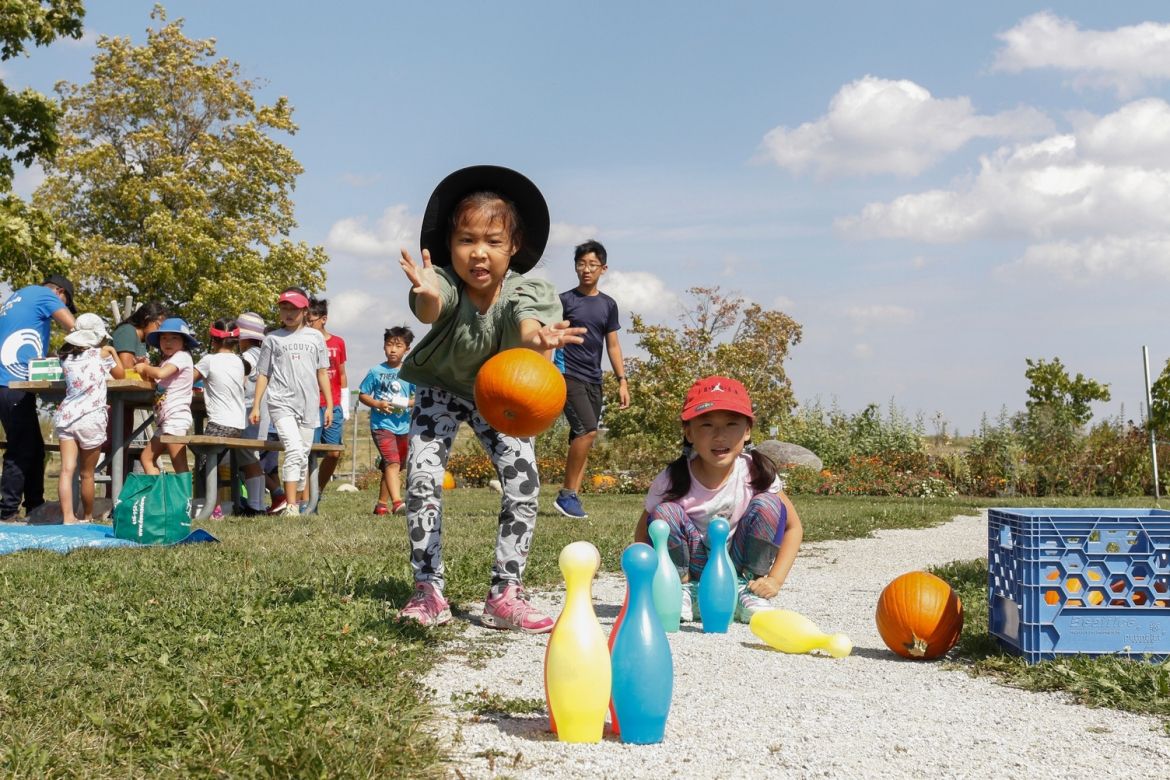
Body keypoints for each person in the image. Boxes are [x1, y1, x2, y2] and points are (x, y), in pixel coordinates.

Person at [396, 164, 585, 631]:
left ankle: (505, 592)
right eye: (466, 240)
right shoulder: (441, 279)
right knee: (421, 479)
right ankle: (428, 590)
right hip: (439, 390)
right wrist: (422, 292)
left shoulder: (528, 289)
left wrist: (539, 340)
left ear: (513, 247)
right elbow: (430, 307)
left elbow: (527, 326)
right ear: (451, 246)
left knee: (524, 483)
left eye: (493, 241)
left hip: (500, 392)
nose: (478, 254)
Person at [634, 375, 803, 624]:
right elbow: (644, 534)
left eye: (731, 424)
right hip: (694, 568)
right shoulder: (672, 479)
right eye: (707, 425)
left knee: (769, 504)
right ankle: (684, 592)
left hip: (736, 563)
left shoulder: (756, 473)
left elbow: (793, 527)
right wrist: (655, 582)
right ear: (688, 432)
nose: (720, 436)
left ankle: (747, 591)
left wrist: (774, 580)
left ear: (747, 431)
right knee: (665, 513)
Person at [553, 239, 631, 519]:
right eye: (581, 264)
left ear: (603, 268)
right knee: (587, 431)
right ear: (576, 267)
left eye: (592, 265)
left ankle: (572, 498)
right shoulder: (564, 301)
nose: (586, 269)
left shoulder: (608, 305)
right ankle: (566, 495)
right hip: (567, 374)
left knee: (580, 436)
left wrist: (622, 380)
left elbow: (612, 345)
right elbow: (549, 335)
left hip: (594, 379)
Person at [0, 274, 78, 521]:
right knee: (20, 448)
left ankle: (35, 506)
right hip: (13, 381)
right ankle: (7, 511)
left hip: (7, 383)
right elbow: (76, 330)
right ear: (60, 293)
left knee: (34, 447)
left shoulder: (18, 296)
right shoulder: (45, 294)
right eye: (64, 304)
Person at [249, 287, 331, 517]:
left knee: (302, 453)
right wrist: (256, 405)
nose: (288, 313)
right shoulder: (272, 338)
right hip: (280, 402)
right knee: (294, 449)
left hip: (309, 405)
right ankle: (292, 506)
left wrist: (330, 406)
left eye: (293, 308)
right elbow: (263, 373)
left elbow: (322, 372)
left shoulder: (315, 337)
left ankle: (301, 503)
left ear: (305, 311)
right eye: (284, 308)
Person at [53, 313, 125, 524]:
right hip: (91, 418)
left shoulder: (64, 356)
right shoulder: (102, 354)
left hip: (67, 416)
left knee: (66, 470)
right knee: (87, 474)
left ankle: (68, 517)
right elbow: (121, 375)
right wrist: (112, 351)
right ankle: (86, 516)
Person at [358, 326, 414, 516]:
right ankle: (398, 503)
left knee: (394, 466)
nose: (393, 349)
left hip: (404, 426)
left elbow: (418, 398)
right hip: (382, 426)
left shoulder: (411, 372)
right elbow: (363, 394)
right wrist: (377, 403)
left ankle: (381, 505)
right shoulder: (375, 371)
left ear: (407, 349)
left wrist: (406, 403)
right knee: (392, 463)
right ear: (383, 347)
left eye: (398, 346)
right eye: (389, 345)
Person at [135, 318, 197, 474]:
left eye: (174, 338)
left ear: (184, 342)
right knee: (146, 458)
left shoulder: (182, 356)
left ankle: (184, 498)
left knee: (179, 464)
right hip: (165, 421)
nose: (168, 342)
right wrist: (145, 368)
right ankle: (159, 495)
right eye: (164, 338)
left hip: (175, 418)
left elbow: (161, 373)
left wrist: (145, 367)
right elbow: (157, 379)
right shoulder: (167, 361)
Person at [307, 297, 347, 498]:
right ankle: (307, 497)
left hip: (333, 404)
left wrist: (344, 404)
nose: (308, 323)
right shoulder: (305, 342)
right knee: (310, 452)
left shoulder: (338, 342)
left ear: (323, 319)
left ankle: (318, 489)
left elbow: (341, 373)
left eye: (311, 319)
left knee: (334, 452)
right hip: (311, 404)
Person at [234, 311, 270, 515]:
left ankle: (255, 506)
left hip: (247, 412)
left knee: (248, 458)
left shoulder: (246, 357)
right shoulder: (262, 354)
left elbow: (240, 383)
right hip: (261, 412)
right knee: (252, 457)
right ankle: (257, 503)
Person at [193, 319, 247, 438]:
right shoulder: (239, 361)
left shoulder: (209, 360)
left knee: (202, 453)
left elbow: (186, 381)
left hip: (219, 424)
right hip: (239, 424)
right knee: (214, 454)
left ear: (213, 341)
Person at [111, 302, 170, 370]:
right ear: (147, 319)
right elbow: (127, 368)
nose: (160, 330)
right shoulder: (127, 331)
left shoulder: (146, 341)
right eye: (159, 325)